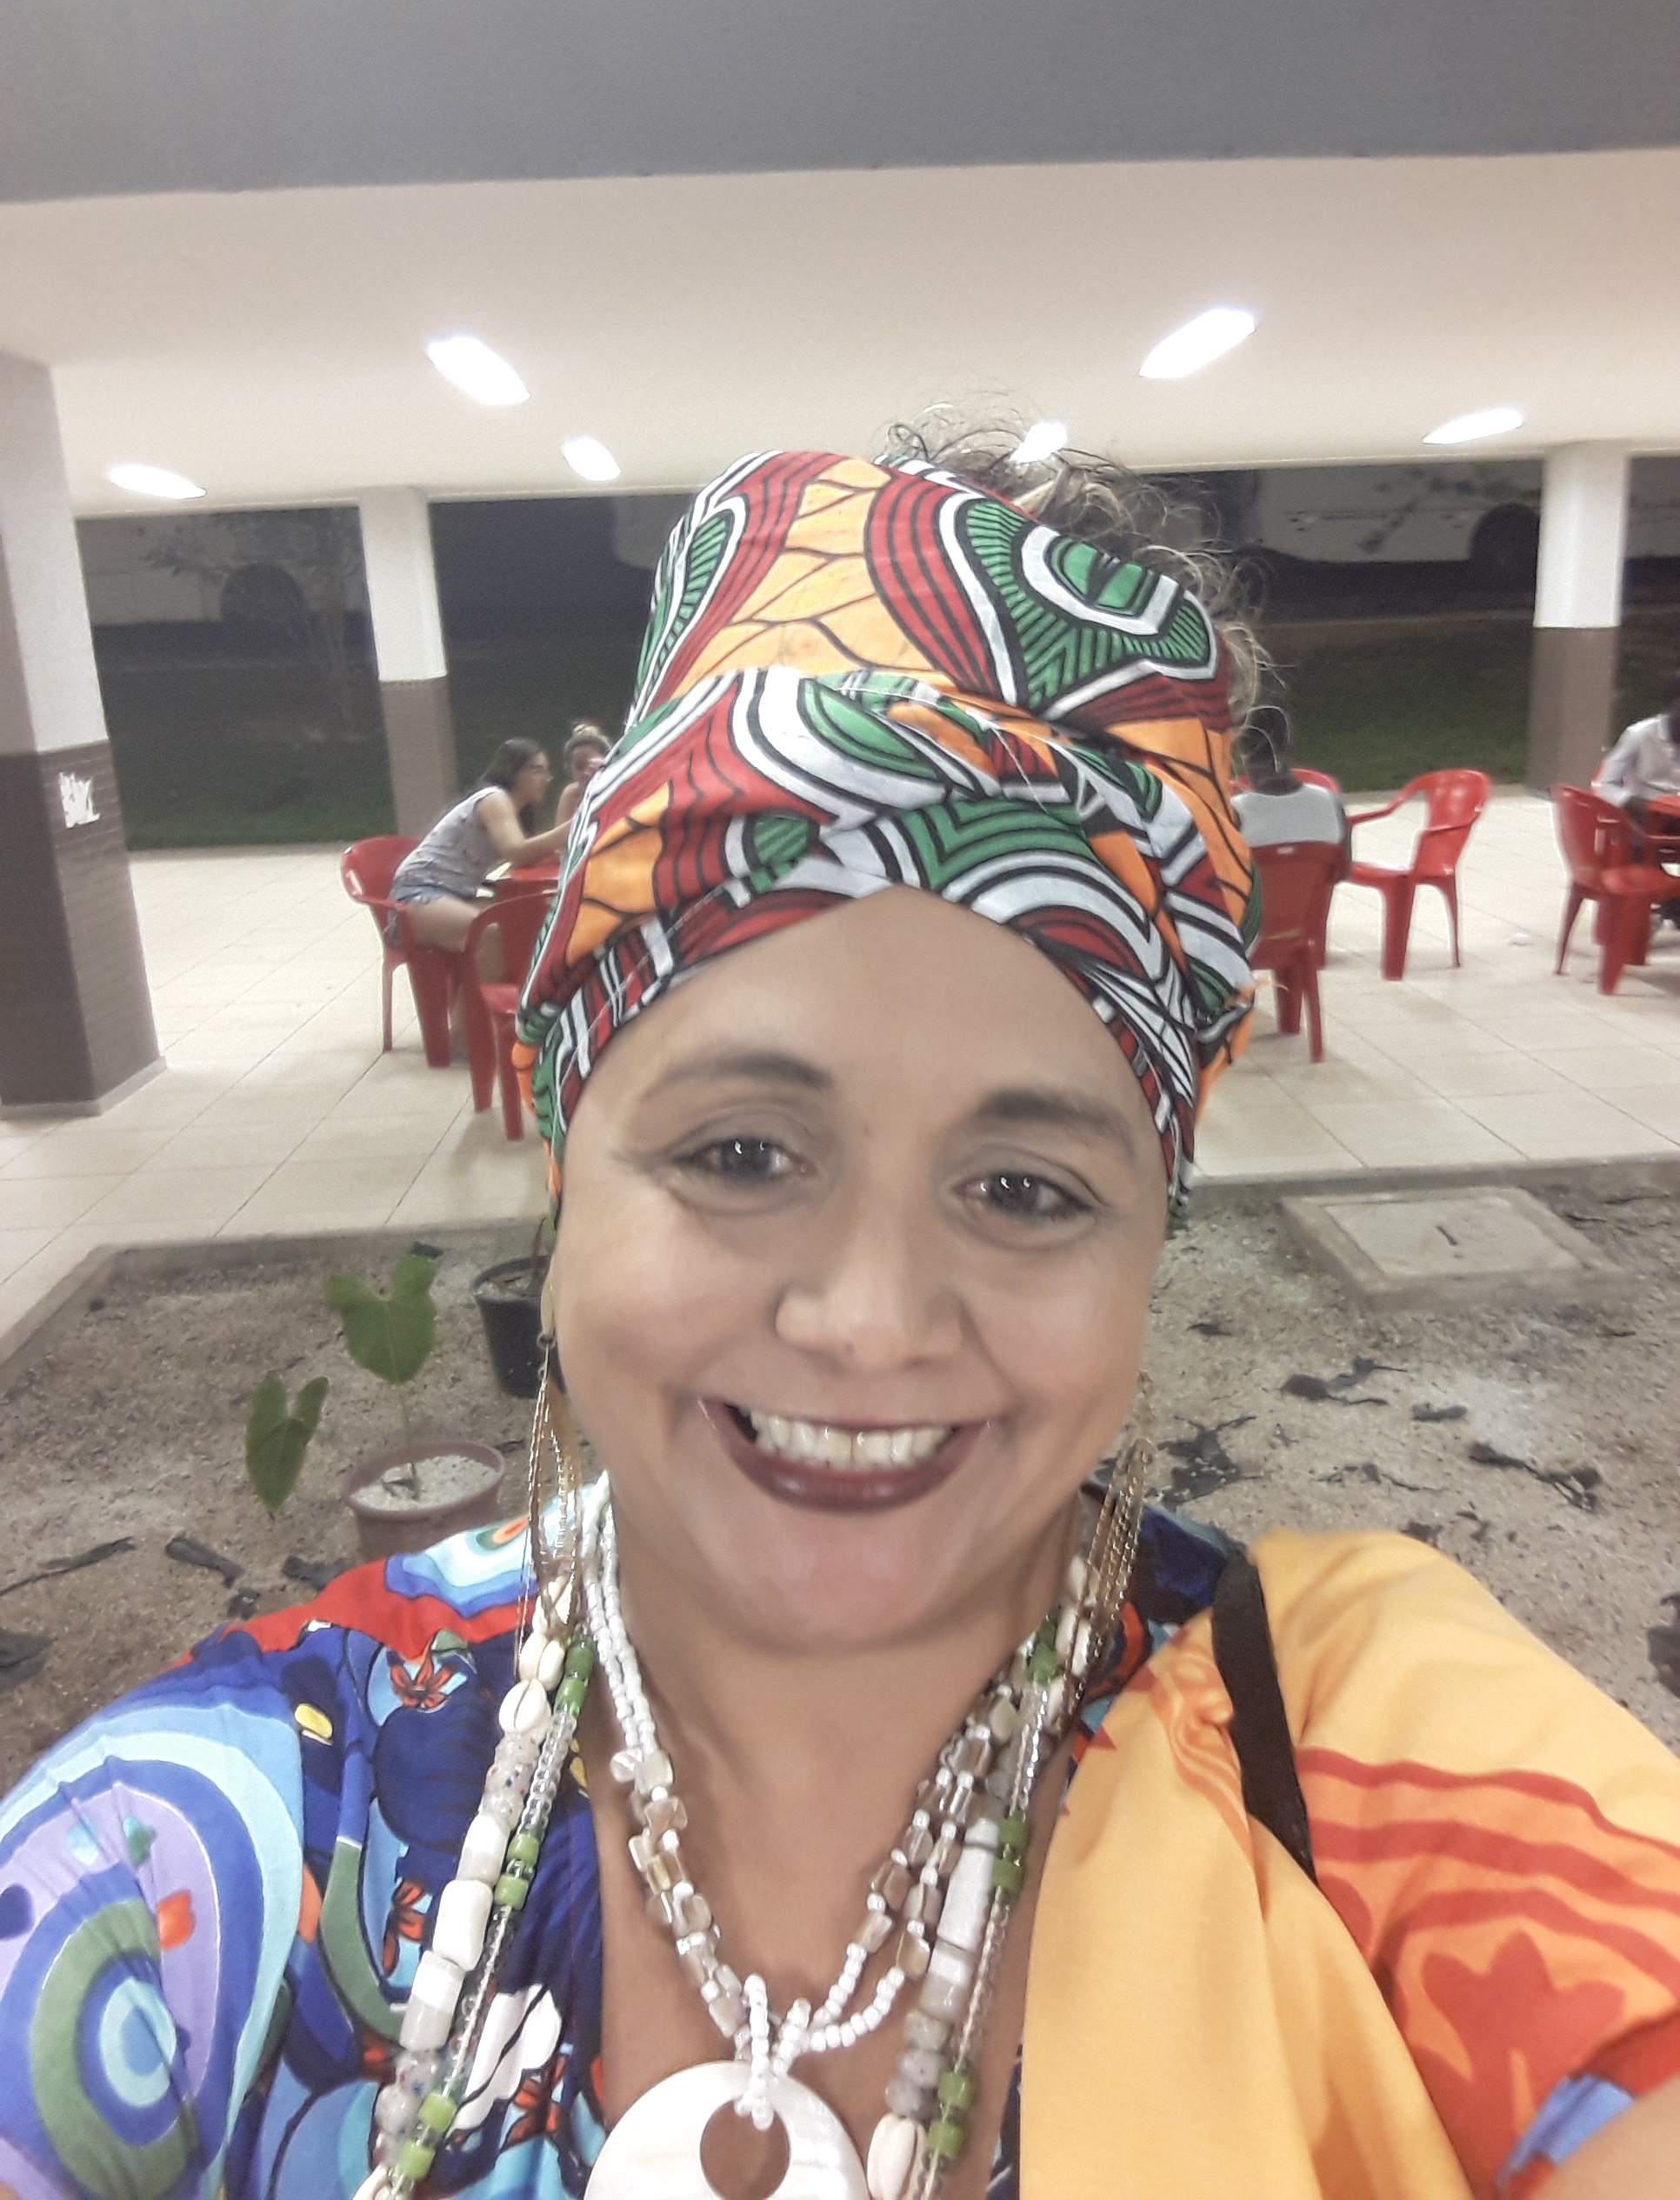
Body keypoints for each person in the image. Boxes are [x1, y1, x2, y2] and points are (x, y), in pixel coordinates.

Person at [3, 439, 1678, 2200]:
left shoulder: (1356, 1752)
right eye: (739, 1152)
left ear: (1153, 1226)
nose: (870, 1325)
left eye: (1024, 1187)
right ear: (566, 1159)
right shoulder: (195, 1858)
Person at [389, 737, 570, 957]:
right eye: (537, 770)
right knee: (487, 930)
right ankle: (489, 982)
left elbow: (536, 852)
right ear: (513, 771)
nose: (545, 779)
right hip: (416, 894)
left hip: (456, 895)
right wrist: (574, 823)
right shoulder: (494, 799)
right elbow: (517, 852)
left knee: (524, 920)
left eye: (547, 772)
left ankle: (524, 978)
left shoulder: (518, 813)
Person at [1233, 699, 1350, 864]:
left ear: (1244, 756)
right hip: (1314, 882)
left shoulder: (1234, 812)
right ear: (1290, 748)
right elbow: (1344, 869)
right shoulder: (1333, 804)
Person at [1595, 690, 1680, 830]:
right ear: (1673, 705)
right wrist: (1627, 800)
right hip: (1640, 816)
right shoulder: (1640, 734)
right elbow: (1604, 784)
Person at [553, 722, 612, 832]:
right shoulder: (571, 794)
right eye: (579, 767)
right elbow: (559, 839)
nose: (585, 773)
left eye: (592, 767)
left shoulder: (616, 785)